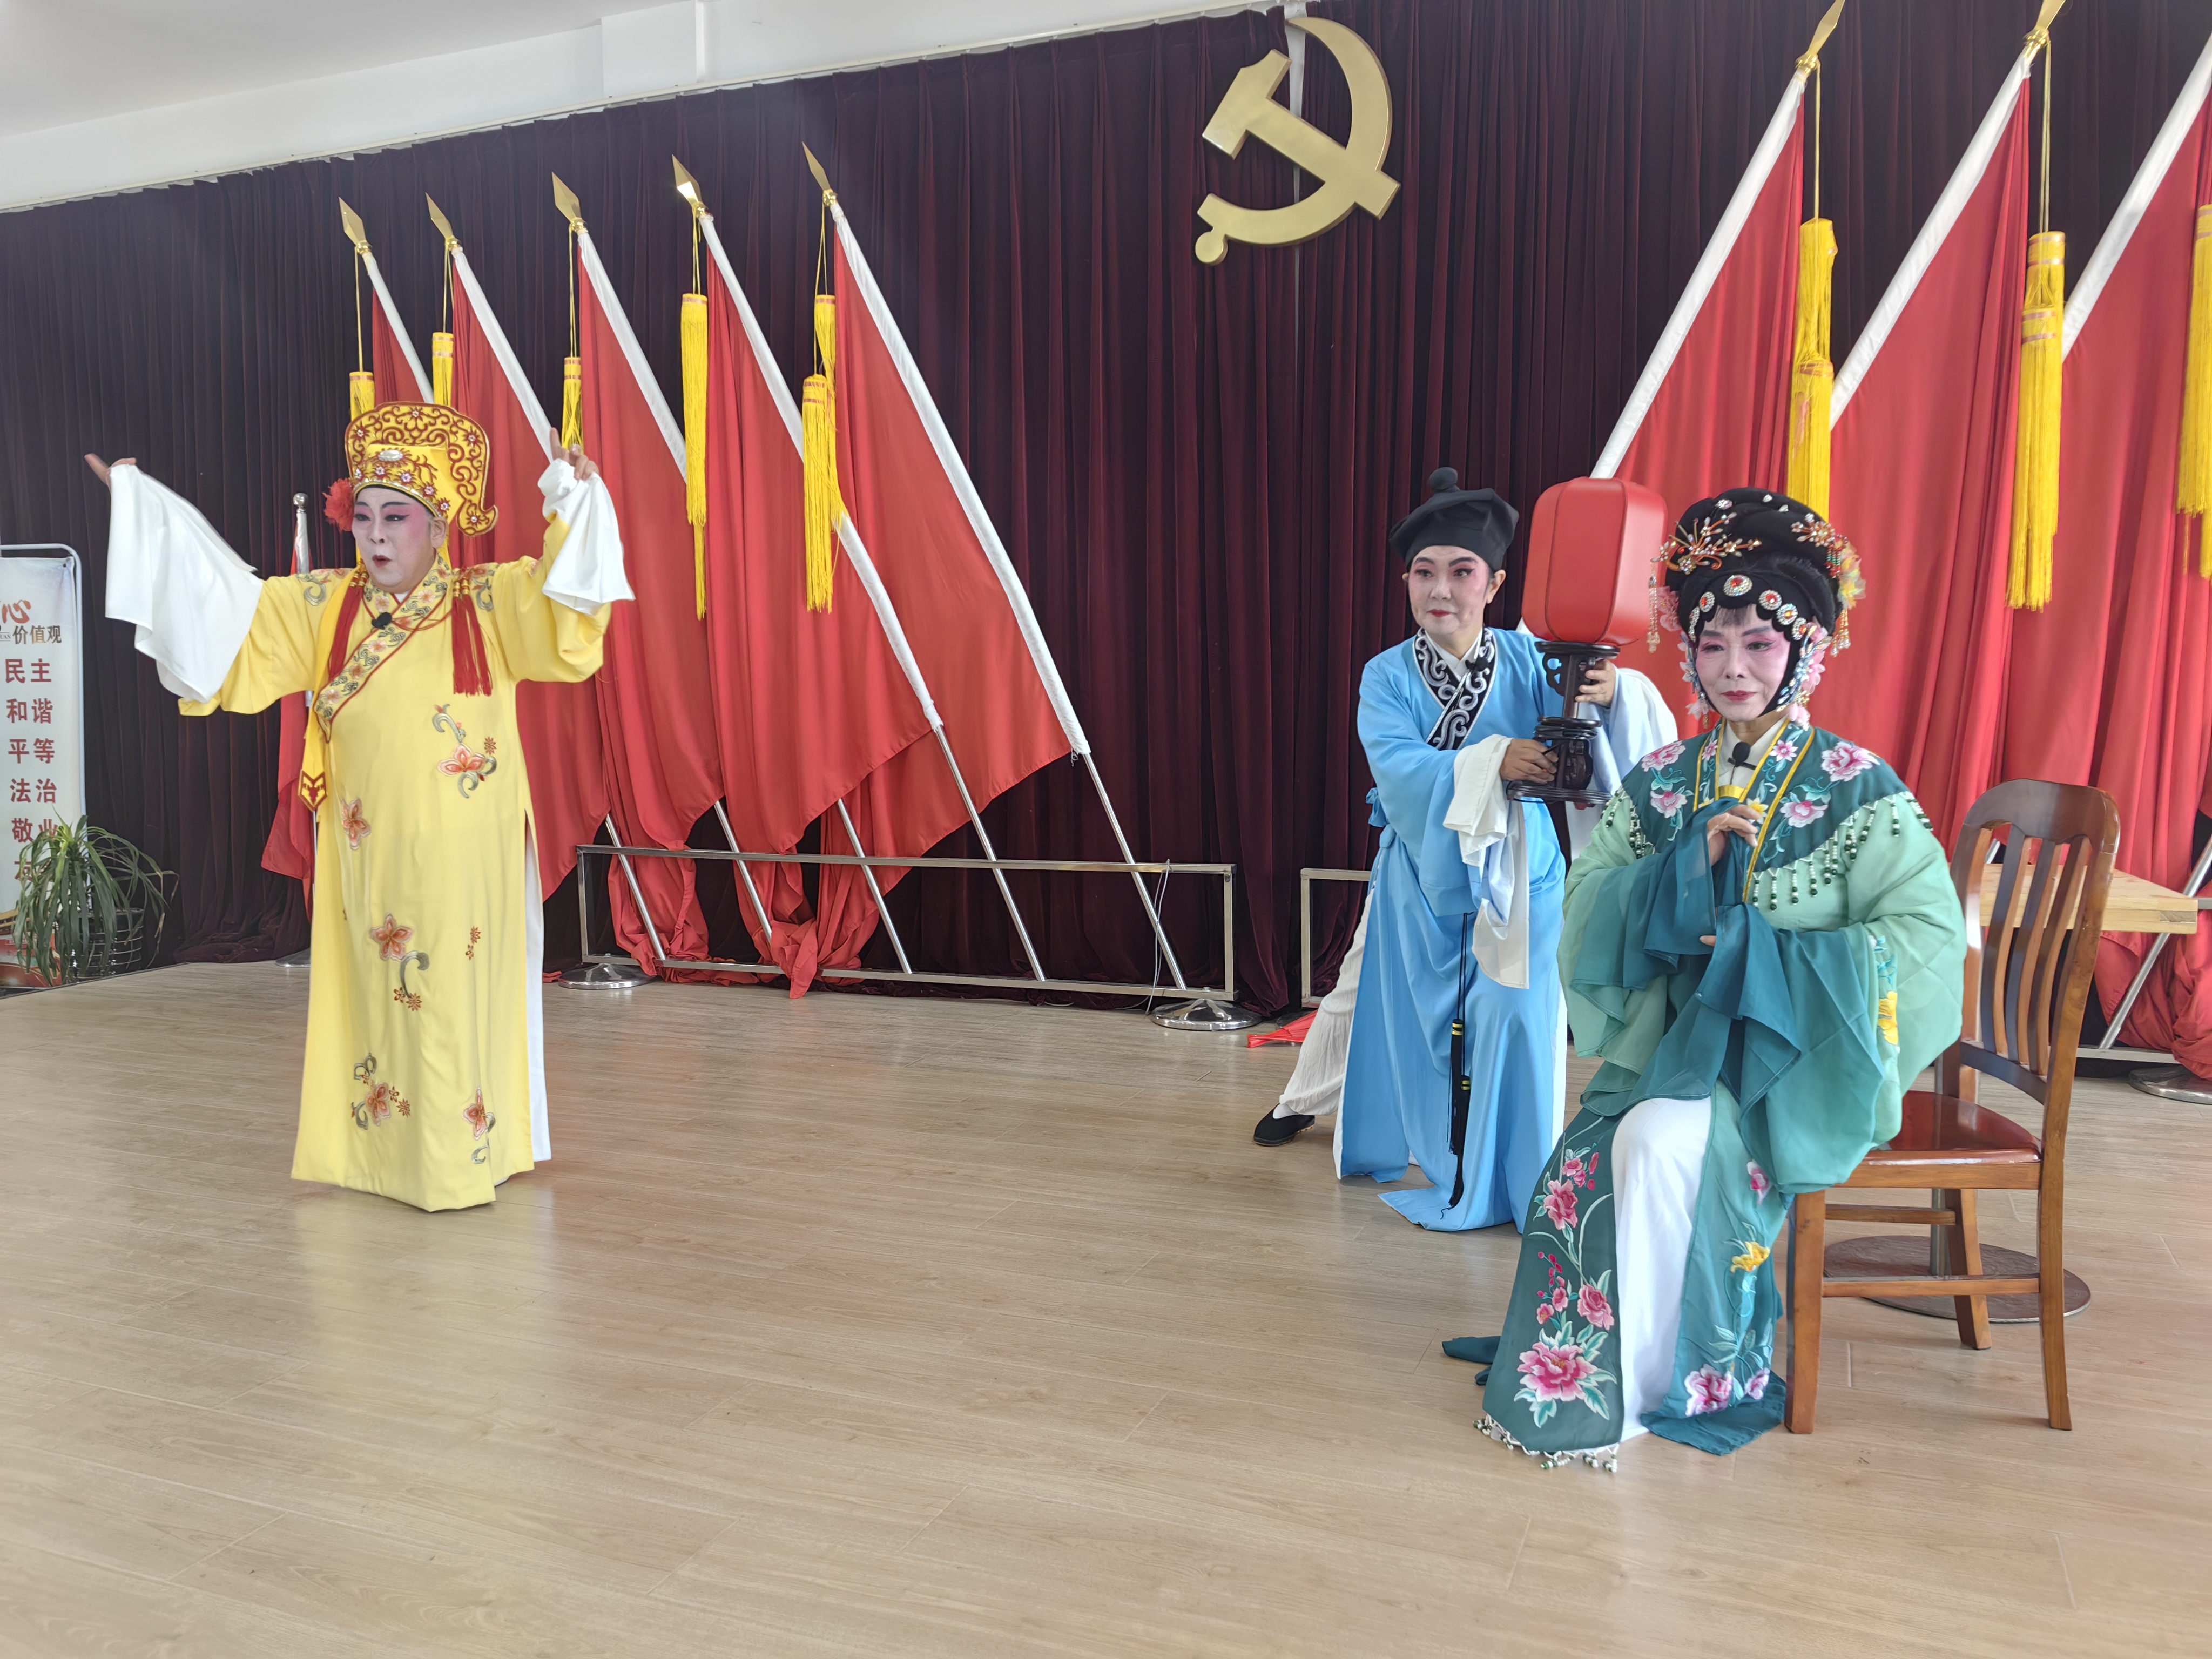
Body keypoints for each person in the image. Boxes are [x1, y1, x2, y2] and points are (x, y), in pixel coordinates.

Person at [1452, 489, 1967, 1468]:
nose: (1734, 669)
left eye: (1759, 645)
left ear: (1806, 650)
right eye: (1713, 644)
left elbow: (1927, 937)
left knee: (1653, 1146)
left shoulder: (1857, 786)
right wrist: (1683, 868)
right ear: (1688, 652)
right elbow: (1590, 900)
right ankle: (1616, 1369)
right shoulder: (1660, 779)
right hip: (1674, 1045)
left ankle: (1668, 1377)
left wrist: (1766, 961)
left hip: (1789, 1062)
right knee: (1594, 1158)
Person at [92, 403, 631, 1211]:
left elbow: (570, 612)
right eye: (366, 516)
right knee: (382, 998)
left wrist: (575, 503)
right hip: (367, 852)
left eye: (397, 518)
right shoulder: (322, 605)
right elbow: (226, 613)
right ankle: (384, 1157)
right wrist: (147, 520)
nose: (376, 536)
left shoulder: (489, 600)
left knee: (447, 999)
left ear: (438, 527)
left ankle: (457, 1159)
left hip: (462, 854)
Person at [1259, 468, 1671, 1237]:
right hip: (1420, 868)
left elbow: (1602, 742)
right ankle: (1336, 1114)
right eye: (1424, 572)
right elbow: (1400, 766)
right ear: (1406, 582)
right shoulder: (1386, 675)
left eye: (1462, 571)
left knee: (1517, 1014)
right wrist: (1493, 760)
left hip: (1522, 868)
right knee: (1386, 1008)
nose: (1440, 589)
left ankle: (1520, 1173)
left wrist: (1615, 693)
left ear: (1496, 583)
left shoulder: (1533, 657)